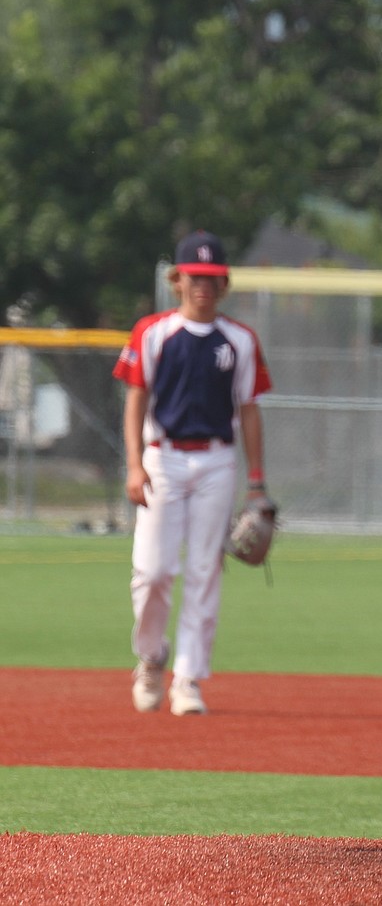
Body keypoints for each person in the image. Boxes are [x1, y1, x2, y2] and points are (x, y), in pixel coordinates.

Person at [113, 229, 273, 716]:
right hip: (162, 456)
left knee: (205, 571)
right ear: (177, 280)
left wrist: (256, 482)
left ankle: (188, 678)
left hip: (216, 461)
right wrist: (135, 465)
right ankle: (151, 655)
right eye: (193, 276)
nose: (202, 285)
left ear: (222, 284)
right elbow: (136, 397)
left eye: (211, 277)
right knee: (154, 571)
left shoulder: (240, 340)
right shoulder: (153, 331)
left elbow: (248, 409)